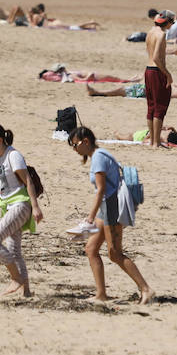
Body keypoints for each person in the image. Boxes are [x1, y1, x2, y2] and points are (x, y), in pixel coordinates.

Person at [69, 127, 152, 305]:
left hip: (112, 206)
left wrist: (89, 218)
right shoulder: (100, 154)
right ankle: (101, 294)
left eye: (75, 145)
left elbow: (101, 191)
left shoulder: (98, 157)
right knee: (91, 249)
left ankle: (146, 289)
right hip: (106, 207)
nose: (74, 149)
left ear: (85, 141)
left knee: (115, 253)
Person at [0, 124, 44, 298]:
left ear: (0, 140)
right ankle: (26, 292)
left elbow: (28, 180)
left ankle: (16, 278)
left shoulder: (13, 156)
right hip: (8, 205)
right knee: (14, 251)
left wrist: (36, 207)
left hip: (21, 205)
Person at [144, 10, 175, 147]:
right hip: (157, 71)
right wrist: (167, 73)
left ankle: (152, 141)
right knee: (160, 106)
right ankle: (156, 142)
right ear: (167, 22)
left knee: (151, 106)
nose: (172, 25)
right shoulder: (161, 34)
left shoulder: (150, 32)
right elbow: (157, 57)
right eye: (172, 22)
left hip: (148, 70)